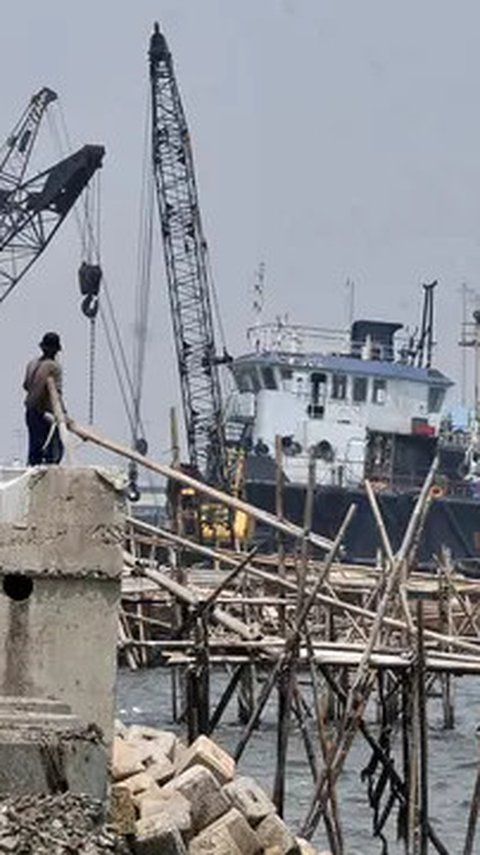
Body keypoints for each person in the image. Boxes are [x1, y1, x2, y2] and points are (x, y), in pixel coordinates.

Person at [23, 332, 66, 465]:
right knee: (54, 448)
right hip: (46, 412)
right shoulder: (53, 367)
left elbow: (25, 385)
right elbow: (54, 393)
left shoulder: (32, 363)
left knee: (35, 447)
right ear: (55, 349)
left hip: (30, 411)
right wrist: (62, 414)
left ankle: (34, 468)